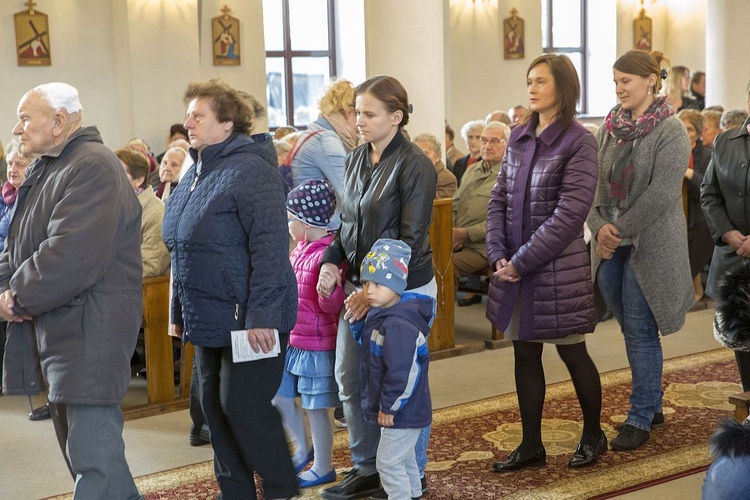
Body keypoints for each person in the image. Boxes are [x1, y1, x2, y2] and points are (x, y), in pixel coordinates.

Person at [0, 82, 143, 498]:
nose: (17, 128)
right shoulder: (55, 166)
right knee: (94, 460)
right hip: (66, 330)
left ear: (60, 121)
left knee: (92, 461)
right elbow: (23, 248)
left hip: (90, 331)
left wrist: (15, 297)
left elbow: (69, 256)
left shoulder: (92, 166)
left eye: (26, 118)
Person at [162, 79, 298, 499]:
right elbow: (182, 248)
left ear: (227, 124)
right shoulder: (195, 171)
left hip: (249, 319)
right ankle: (235, 492)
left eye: (198, 115)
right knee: (213, 412)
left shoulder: (253, 170)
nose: (189, 123)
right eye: (188, 115)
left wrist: (261, 318)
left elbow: (271, 251)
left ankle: (280, 488)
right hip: (206, 316)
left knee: (243, 408)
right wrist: (178, 316)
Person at [316, 75, 436, 500]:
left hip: (403, 291)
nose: (358, 120)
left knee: (402, 380)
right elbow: (347, 225)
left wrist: (373, 293)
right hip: (360, 287)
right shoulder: (355, 158)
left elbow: (411, 238)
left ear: (396, 117)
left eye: (368, 113)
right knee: (350, 377)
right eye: (356, 112)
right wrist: (332, 263)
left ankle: (411, 472)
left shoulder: (415, 164)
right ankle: (369, 467)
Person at [486, 54, 604, 472]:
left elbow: (570, 214)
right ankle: (531, 444)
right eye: (529, 81)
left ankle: (594, 434)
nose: (531, 88)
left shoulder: (579, 140)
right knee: (525, 353)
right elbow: (498, 198)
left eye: (540, 81)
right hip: (516, 267)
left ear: (563, 88)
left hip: (557, 271)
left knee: (573, 354)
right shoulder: (519, 136)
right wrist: (498, 252)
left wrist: (521, 261)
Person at [587, 50, 693, 451]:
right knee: (632, 329)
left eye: (626, 81)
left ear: (650, 80)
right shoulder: (609, 127)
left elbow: (662, 195)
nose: (619, 89)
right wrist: (600, 228)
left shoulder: (670, 130)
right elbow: (594, 185)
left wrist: (617, 230)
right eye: (615, 81)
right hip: (611, 244)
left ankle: (640, 416)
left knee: (642, 332)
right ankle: (654, 402)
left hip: (650, 245)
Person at [272, 180, 346, 489]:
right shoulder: (300, 249)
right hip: (294, 341)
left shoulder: (326, 255)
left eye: (290, 219)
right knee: (280, 395)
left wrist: (330, 285)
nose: (287, 225)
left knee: (317, 407)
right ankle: (304, 448)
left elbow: (331, 305)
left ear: (304, 222)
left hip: (316, 343)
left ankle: (324, 466)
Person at [349, 238, 433, 500]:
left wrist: (389, 406)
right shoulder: (383, 312)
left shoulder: (398, 324)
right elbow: (370, 345)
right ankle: (414, 495)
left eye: (377, 283)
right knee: (405, 459)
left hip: (402, 410)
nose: (369, 291)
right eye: (365, 283)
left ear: (396, 284)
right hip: (401, 409)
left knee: (387, 463)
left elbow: (404, 373)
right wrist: (356, 322)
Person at [700, 80, 750, 392]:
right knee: (741, 339)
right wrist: (728, 233)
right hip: (733, 258)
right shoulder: (726, 141)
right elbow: (709, 193)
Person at [452, 121, 509, 307]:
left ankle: (440, 327)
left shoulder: (510, 174)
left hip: (486, 246)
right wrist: (450, 232)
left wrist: (466, 233)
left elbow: (505, 221)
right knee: (422, 260)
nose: (486, 145)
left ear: (507, 144)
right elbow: (455, 204)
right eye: (484, 140)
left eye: (494, 141)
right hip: (458, 240)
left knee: (445, 267)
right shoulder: (471, 170)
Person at [290, 79, 359, 230]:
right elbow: (350, 193)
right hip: (324, 230)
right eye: (360, 114)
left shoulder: (314, 133)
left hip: (309, 226)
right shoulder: (326, 140)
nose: (361, 123)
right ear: (349, 112)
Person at [0, 140, 33, 399]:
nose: (12, 169)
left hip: (27, 277)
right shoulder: (9, 197)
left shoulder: (33, 199)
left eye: (20, 164)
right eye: (10, 163)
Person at [114, 148, 170, 278]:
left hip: (139, 291)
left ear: (138, 180)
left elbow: (150, 264)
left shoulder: (157, 212)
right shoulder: (111, 207)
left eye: (119, 173)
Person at [676, 109, 713, 303]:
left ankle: (696, 292)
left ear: (698, 132)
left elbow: (709, 188)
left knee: (692, 257)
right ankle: (692, 292)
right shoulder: (673, 151)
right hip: (679, 214)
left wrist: (690, 174)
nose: (685, 131)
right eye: (681, 126)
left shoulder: (707, 154)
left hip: (700, 217)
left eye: (689, 128)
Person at [414, 132, 457, 199]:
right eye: (416, 152)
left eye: (425, 153)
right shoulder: (408, 173)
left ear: (437, 156)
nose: (419, 156)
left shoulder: (447, 179)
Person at [453, 120, 485, 186]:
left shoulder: (487, 162)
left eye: (478, 137)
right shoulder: (459, 163)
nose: (473, 141)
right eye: (470, 137)